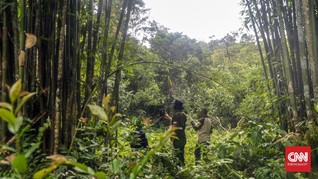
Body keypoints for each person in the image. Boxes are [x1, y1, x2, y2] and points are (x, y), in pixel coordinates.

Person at [164, 99, 187, 166]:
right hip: (183, 138)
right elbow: (179, 124)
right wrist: (169, 118)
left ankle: (179, 172)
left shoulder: (176, 115)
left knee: (177, 157)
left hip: (178, 139)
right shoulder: (183, 114)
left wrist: (169, 132)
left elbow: (175, 126)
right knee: (181, 156)